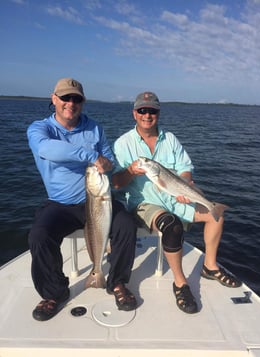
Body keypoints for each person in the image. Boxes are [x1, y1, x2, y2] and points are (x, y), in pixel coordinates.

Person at [112, 91, 241, 314]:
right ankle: (180, 283)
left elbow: (185, 170)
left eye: (152, 110)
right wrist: (132, 171)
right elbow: (116, 183)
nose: (147, 115)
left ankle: (209, 267)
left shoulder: (170, 139)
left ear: (158, 113)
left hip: (175, 197)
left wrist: (186, 187)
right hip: (144, 203)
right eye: (142, 110)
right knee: (172, 225)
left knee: (215, 215)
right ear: (134, 113)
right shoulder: (123, 144)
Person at [27, 78, 137, 321]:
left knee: (127, 225)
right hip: (61, 204)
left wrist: (106, 163)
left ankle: (117, 282)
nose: (70, 103)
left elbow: (108, 160)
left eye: (76, 98)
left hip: (99, 200)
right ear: (53, 99)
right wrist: (90, 156)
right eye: (65, 97)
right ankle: (54, 293)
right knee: (39, 235)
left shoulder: (94, 128)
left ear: (83, 102)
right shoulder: (39, 129)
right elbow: (47, 150)